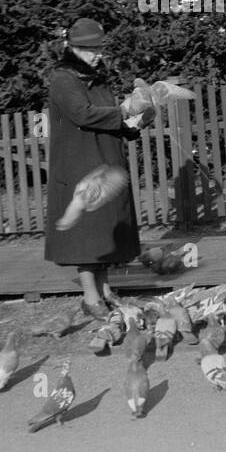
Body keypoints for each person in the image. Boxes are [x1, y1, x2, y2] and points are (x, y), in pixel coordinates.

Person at [44, 17, 152, 317]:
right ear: (71, 48)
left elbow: (108, 116)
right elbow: (83, 114)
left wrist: (134, 124)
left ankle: (106, 291)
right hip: (79, 163)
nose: (96, 54)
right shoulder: (63, 77)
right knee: (86, 235)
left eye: (99, 48)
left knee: (105, 233)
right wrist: (124, 112)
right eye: (88, 49)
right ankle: (91, 299)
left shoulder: (98, 76)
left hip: (105, 159)